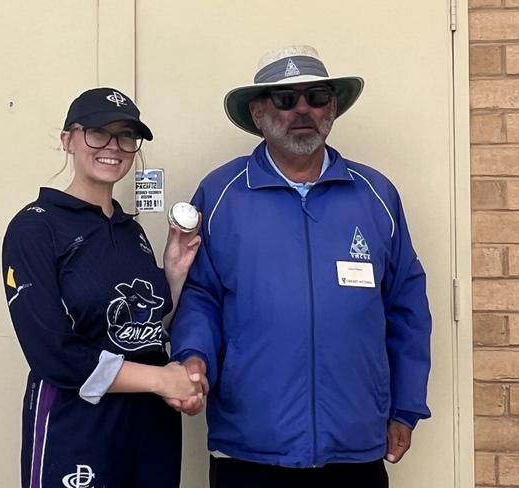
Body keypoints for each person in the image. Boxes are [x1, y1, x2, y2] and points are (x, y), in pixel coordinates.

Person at [169, 45, 432, 487]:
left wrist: (405, 407)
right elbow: (200, 296)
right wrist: (193, 359)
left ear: (333, 107)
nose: (303, 110)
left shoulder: (376, 196)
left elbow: (407, 306)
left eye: (317, 97)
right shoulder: (221, 195)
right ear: (258, 113)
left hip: (354, 449)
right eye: (286, 99)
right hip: (249, 449)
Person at [2, 87, 203, 488]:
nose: (113, 146)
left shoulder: (132, 232)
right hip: (76, 426)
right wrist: (162, 379)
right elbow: (53, 354)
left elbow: (145, 329)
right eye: (97, 132)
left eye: (126, 136)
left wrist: (174, 272)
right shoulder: (35, 227)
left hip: (149, 427)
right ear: (67, 140)